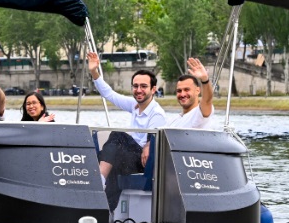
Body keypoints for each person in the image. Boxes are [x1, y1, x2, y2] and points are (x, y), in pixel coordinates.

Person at [87, 51, 166, 210]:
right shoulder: (134, 105)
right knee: (112, 159)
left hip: (144, 163)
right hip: (131, 156)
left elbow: (155, 141)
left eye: (144, 86)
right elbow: (109, 94)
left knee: (117, 135)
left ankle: (98, 180)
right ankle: (107, 212)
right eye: (135, 86)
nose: (139, 90)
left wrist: (149, 144)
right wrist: (95, 72)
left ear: (153, 89)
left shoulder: (157, 113)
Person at [168, 58, 215, 129]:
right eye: (179, 91)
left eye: (187, 90)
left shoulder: (199, 114)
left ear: (198, 90)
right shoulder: (172, 121)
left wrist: (205, 80)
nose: (182, 94)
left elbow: (207, 100)